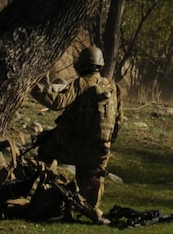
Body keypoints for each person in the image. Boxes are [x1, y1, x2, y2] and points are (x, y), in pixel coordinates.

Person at [32, 45, 119, 221]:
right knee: (89, 200)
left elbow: (57, 102)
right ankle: (83, 204)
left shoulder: (82, 83)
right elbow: (118, 120)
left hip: (77, 147)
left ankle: (51, 190)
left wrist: (33, 88)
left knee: (45, 150)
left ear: (81, 66)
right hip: (100, 151)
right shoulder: (112, 87)